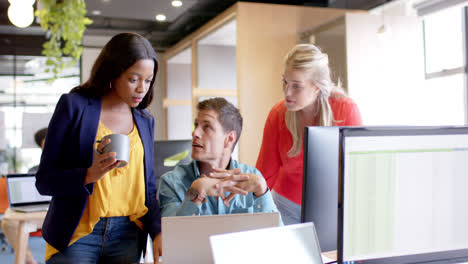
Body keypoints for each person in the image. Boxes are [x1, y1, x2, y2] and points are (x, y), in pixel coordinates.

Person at [35, 33, 162, 264]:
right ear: (114, 71)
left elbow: (148, 186)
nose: (141, 88)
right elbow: (44, 181)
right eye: (134, 79)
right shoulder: (74, 106)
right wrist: (88, 174)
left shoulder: (145, 119)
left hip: (128, 234)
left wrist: (158, 231)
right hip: (77, 233)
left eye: (148, 80)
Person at [256, 44, 363, 225]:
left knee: (325, 254)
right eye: (285, 82)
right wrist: (246, 208)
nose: (287, 92)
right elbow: (265, 173)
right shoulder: (278, 114)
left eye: (296, 86)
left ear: (316, 87)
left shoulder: (346, 110)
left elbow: (357, 171)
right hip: (286, 205)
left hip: (329, 206)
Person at [159, 97, 281, 220]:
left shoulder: (253, 177)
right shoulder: (172, 182)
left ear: (229, 139)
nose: (195, 132)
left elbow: (277, 236)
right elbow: (171, 237)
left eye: (207, 127)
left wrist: (262, 190)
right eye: (196, 125)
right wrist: (194, 194)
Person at [0, 128, 48, 264]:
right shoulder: (34, 170)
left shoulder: (73, 166)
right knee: (9, 222)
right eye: (44, 147)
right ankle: (30, 260)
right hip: (40, 214)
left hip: (65, 213)